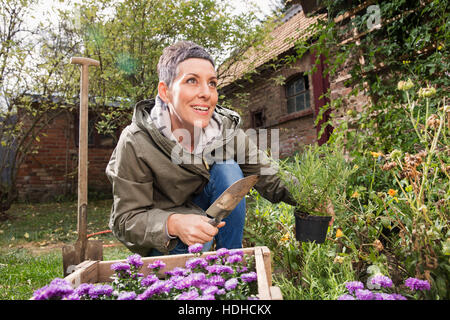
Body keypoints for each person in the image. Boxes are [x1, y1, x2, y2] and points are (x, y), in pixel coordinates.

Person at [106, 41, 297, 257]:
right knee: (187, 256)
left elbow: (267, 174)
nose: (206, 93)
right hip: (165, 241)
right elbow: (125, 220)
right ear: (165, 92)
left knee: (228, 169)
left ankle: (230, 262)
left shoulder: (224, 131)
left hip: (206, 213)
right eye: (192, 81)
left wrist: (310, 196)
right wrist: (174, 223)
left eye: (212, 83)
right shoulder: (136, 142)